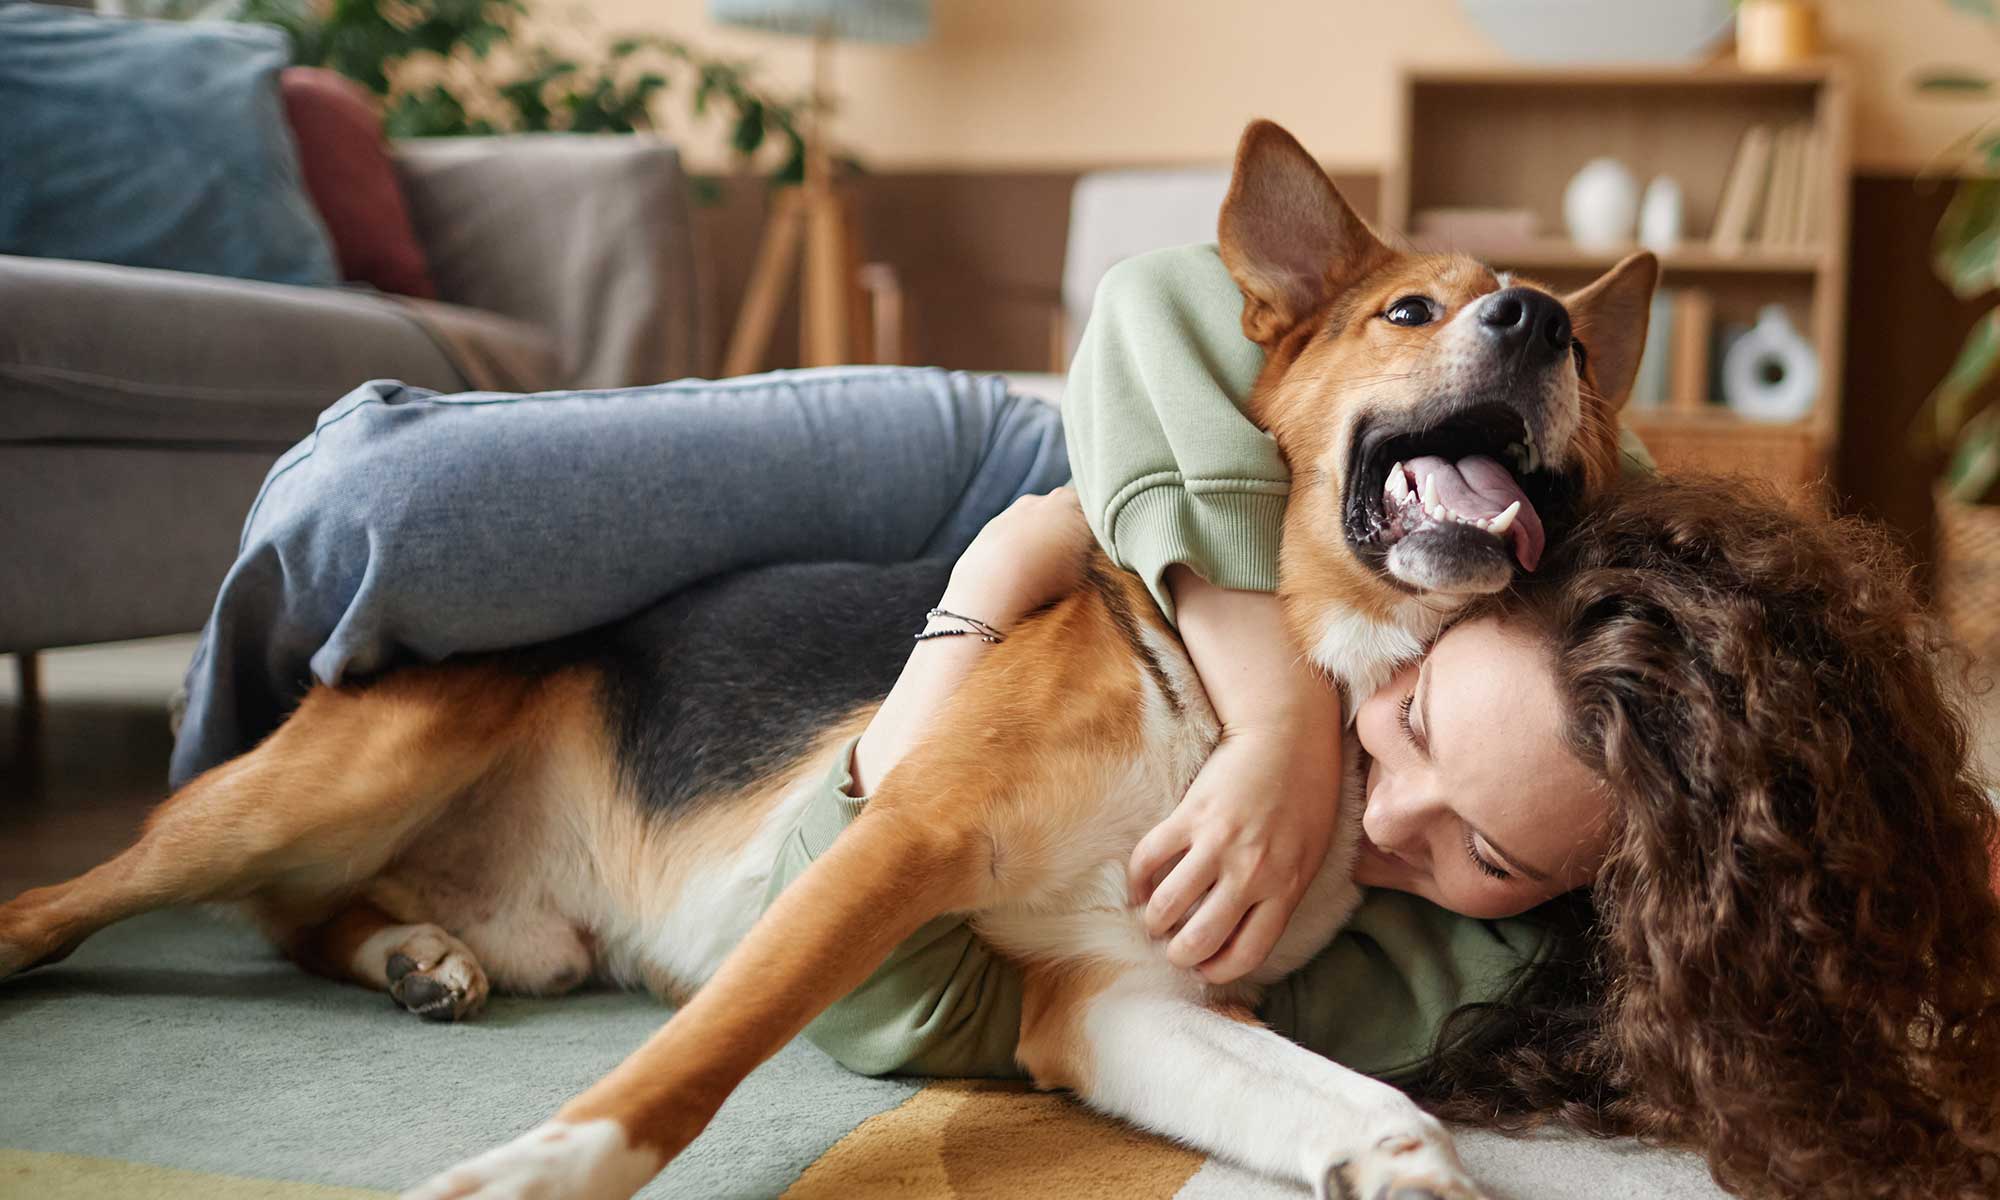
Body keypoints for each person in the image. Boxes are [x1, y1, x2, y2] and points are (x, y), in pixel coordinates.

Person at [169, 245, 2000, 1195]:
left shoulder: (1524, 909)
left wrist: (950, 667)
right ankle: (257, 814)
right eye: (1419, 719)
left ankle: (321, 888)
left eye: (1489, 851)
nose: (1391, 812)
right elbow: (1153, 320)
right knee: (367, 523)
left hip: (994, 644)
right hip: (1086, 436)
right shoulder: (1596, 499)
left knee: (428, 591)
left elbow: (1004, 1002)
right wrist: (1277, 698)